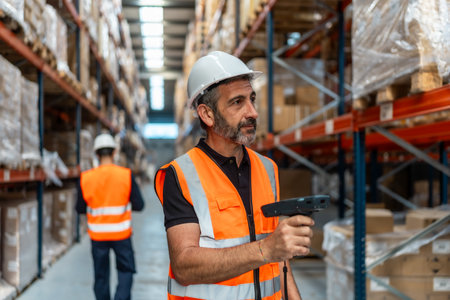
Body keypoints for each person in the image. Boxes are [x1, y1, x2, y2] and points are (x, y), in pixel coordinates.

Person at [154, 51, 314, 300]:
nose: (253, 112)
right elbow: (184, 266)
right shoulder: (181, 175)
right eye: (237, 102)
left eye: (252, 99)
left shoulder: (267, 169)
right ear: (207, 114)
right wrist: (266, 249)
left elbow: (278, 255)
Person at [76, 133, 144, 300]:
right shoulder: (126, 175)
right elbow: (140, 205)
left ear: (96, 154)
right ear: (114, 153)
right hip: (121, 234)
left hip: (98, 236)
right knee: (126, 270)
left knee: (101, 275)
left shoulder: (86, 178)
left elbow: (79, 208)